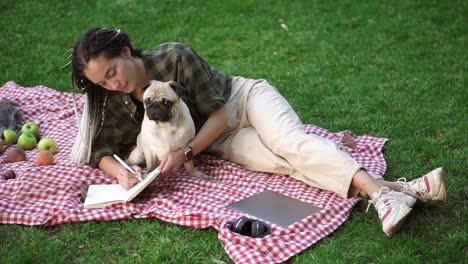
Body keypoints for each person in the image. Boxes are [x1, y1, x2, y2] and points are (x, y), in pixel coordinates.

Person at [69, 28, 446, 237]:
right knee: (286, 165)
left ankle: (382, 196)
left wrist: (183, 155)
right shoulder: (117, 102)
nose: (112, 84)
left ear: (125, 49)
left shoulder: (173, 57)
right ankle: (405, 190)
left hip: (242, 102)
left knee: (291, 144)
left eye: (112, 71)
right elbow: (100, 149)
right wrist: (122, 173)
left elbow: (219, 117)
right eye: (102, 82)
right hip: (220, 143)